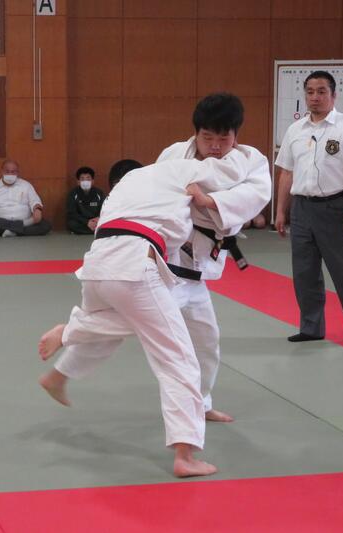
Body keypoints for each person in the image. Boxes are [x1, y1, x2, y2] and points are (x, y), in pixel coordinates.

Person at [37, 142, 256, 478]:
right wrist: (243, 151)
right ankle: (185, 454)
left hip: (95, 267)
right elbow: (230, 171)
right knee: (178, 358)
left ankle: (64, 351)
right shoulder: (179, 170)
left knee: (124, 327)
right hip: (136, 268)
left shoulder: (124, 189)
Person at [155, 93, 272, 422]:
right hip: (167, 267)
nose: (216, 146)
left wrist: (208, 201)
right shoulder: (174, 155)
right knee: (151, 336)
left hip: (196, 274)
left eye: (224, 138)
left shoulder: (248, 161)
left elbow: (254, 196)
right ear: (195, 133)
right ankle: (71, 336)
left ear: (237, 135)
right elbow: (158, 192)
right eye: (208, 137)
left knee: (206, 342)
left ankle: (202, 404)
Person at [274, 70, 343, 347]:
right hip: (302, 209)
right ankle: (311, 327)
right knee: (304, 272)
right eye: (310, 92)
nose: (315, 97)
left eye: (321, 91)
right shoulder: (295, 130)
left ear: (333, 95)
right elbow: (286, 173)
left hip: (336, 208)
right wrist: (281, 211)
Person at [0, 159, 52, 237]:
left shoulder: (26, 185)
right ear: (2, 171)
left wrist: (37, 210)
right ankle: (19, 231)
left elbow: (35, 201)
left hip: (24, 220)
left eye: (13, 172)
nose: (10, 174)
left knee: (46, 225)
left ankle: (12, 231)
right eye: (7, 171)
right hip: (4, 223)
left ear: (17, 172)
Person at [66, 166, 105, 234]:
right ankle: (95, 230)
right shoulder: (73, 193)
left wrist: (97, 219)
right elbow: (72, 213)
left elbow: (104, 209)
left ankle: (90, 230)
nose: (85, 181)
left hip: (96, 220)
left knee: (107, 222)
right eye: (82, 179)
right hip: (82, 221)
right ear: (78, 182)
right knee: (71, 224)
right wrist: (87, 222)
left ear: (93, 181)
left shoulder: (99, 193)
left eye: (88, 178)